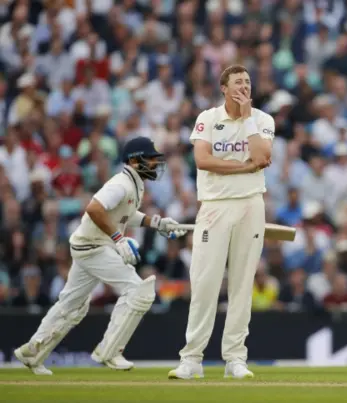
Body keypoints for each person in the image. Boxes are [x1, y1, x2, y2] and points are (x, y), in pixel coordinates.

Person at [14, 137, 187, 375]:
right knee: (138, 290)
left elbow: (126, 213)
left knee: (73, 305)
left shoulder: (134, 183)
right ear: (135, 160)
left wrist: (155, 222)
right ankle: (109, 351)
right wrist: (118, 238)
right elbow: (94, 208)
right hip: (94, 248)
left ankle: (31, 353)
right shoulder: (120, 184)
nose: (155, 164)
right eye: (150, 159)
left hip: (89, 246)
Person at [169, 64, 274, 380]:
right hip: (214, 206)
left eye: (248, 81)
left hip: (251, 204)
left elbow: (263, 158)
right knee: (205, 282)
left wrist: (247, 118)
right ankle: (192, 359)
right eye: (238, 82)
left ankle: (235, 359)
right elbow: (202, 160)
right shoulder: (208, 119)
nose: (244, 86)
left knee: (243, 284)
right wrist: (242, 168)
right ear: (224, 89)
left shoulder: (262, 120)